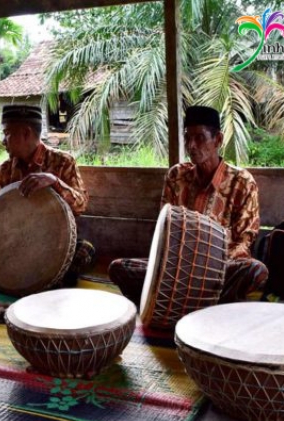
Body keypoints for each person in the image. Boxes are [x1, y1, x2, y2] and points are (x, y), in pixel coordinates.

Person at [108, 106, 268, 305]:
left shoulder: (242, 182)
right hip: (176, 270)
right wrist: (178, 265)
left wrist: (209, 265)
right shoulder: (176, 176)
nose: (191, 145)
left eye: (199, 138)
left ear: (218, 140)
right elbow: (165, 230)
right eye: (187, 138)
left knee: (254, 270)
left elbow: (243, 243)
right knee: (119, 268)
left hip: (217, 271)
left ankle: (179, 300)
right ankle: (200, 302)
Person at [0, 105, 94, 287]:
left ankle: (51, 297)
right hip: (16, 240)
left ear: (26, 133)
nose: (3, 141)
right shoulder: (4, 169)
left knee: (84, 251)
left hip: (55, 243)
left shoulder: (62, 162)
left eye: (7, 133)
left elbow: (81, 205)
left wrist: (55, 182)